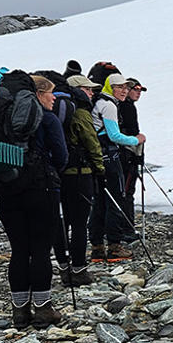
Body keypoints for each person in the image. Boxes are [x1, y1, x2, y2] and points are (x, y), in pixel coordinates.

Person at [0, 75, 69, 329]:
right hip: (41, 189)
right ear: (38, 94)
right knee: (40, 249)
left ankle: (19, 311)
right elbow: (61, 155)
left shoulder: (1, 117)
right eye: (51, 93)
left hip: (6, 190)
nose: (54, 98)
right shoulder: (47, 118)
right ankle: (43, 309)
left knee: (19, 249)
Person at [89, 73, 144, 259]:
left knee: (99, 201)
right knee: (115, 199)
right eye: (119, 87)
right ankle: (114, 246)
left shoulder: (98, 102)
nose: (124, 91)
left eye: (126, 87)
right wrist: (135, 140)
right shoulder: (110, 106)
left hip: (97, 157)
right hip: (110, 158)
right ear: (110, 88)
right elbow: (114, 136)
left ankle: (97, 247)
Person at [59, 74, 104, 285]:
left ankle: (63, 267)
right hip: (81, 173)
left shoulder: (59, 109)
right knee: (78, 223)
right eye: (88, 89)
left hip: (60, 175)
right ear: (79, 90)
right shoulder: (81, 112)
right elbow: (92, 143)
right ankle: (79, 269)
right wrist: (100, 168)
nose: (92, 93)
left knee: (62, 222)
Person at [118, 78, 146, 233]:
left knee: (124, 190)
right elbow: (132, 131)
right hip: (127, 153)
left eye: (140, 90)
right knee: (127, 191)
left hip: (123, 152)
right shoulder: (127, 107)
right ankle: (126, 228)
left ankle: (123, 226)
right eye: (135, 89)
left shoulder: (123, 106)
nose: (138, 93)